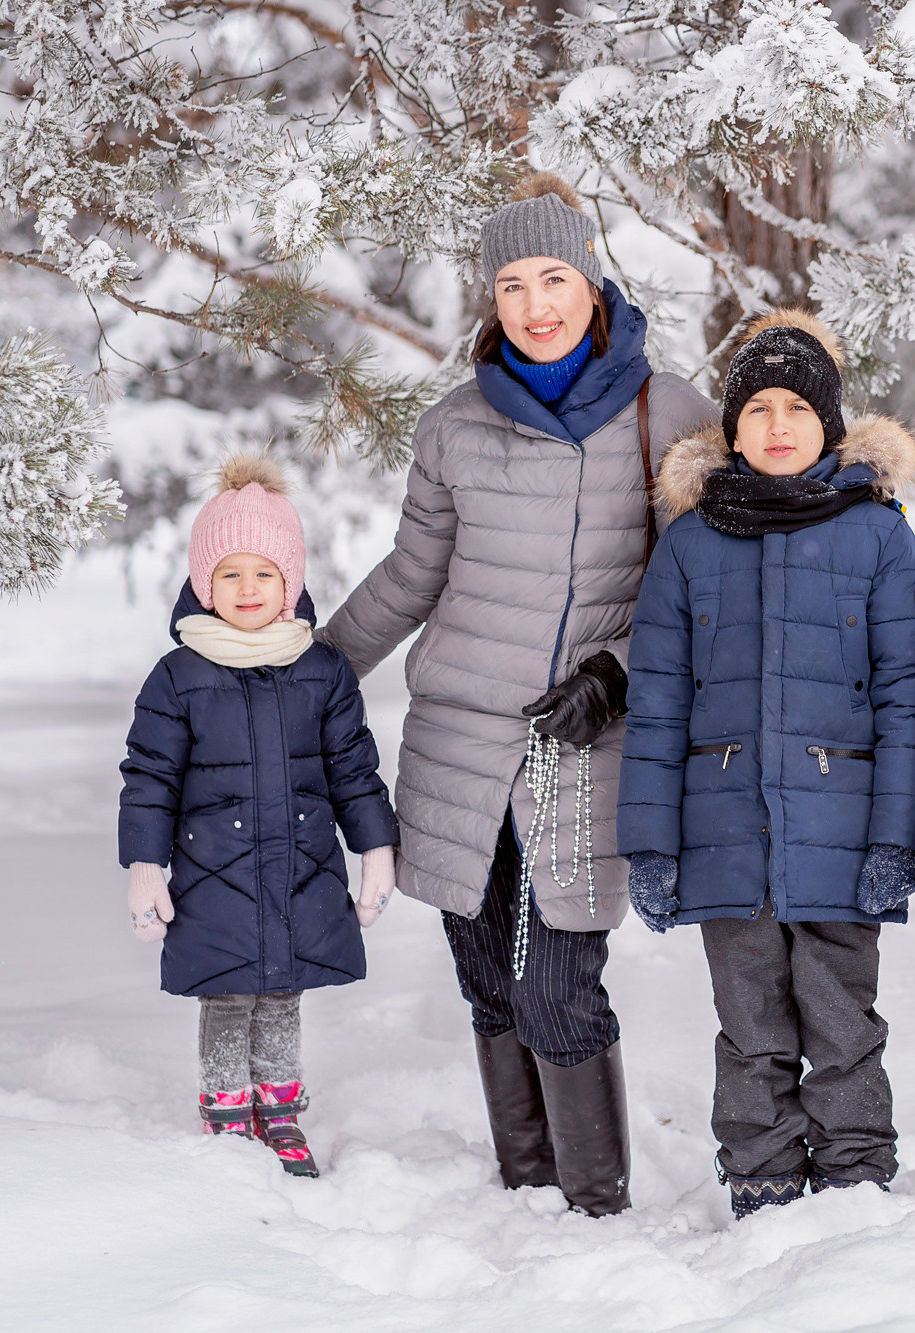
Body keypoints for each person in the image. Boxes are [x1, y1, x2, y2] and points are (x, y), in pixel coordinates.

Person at [320, 173, 716, 1217]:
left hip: (583, 746)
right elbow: (413, 573)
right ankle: (525, 1193)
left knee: (556, 985)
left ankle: (591, 1207)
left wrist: (613, 676)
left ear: (590, 280)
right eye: (510, 284)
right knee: (489, 980)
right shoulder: (453, 425)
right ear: (488, 300)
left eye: (552, 277)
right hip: (455, 743)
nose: (535, 304)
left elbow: (701, 588)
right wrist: (314, 668)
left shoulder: (667, 412)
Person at [616, 309, 915, 1217]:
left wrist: (896, 840)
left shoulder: (878, 536)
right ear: (732, 426)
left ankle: (853, 1188)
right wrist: (654, 845)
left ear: (829, 422)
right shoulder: (690, 543)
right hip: (726, 838)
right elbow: (658, 703)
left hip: (841, 839)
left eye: (798, 405)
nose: (779, 424)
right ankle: (761, 1186)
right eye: (758, 407)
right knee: (751, 1029)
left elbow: (909, 694)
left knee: (842, 1027)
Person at [119, 456, 400, 1178]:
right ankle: (225, 1109)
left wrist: (376, 850)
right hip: (213, 879)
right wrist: (145, 866)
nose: (248, 589)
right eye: (231, 573)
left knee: (280, 993)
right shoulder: (179, 675)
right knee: (227, 993)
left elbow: (352, 769)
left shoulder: (322, 670)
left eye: (265, 573)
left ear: (292, 582)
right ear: (204, 582)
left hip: (300, 870)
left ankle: (278, 1111)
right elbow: (149, 776)